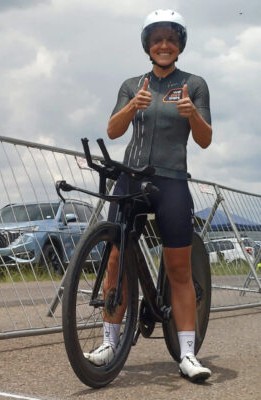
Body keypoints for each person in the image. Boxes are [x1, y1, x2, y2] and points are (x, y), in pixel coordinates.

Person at [84, 9, 212, 382]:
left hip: (172, 181)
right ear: (147, 45)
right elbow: (111, 130)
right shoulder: (132, 84)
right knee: (114, 261)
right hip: (131, 179)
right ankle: (110, 340)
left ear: (180, 44)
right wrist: (131, 106)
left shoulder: (194, 84)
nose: (164, 45)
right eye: (157, 39)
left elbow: (204, 139)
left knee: (179, 270)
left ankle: (187, 354)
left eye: (171, 38)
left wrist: (193, 114)